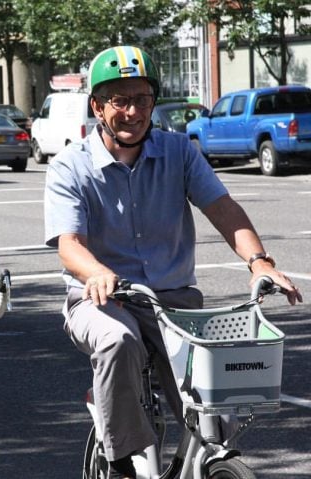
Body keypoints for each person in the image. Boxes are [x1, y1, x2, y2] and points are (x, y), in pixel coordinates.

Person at [43, 45, 302, 479]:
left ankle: (213, 455)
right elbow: (68, 244)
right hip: (102, 300)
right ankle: (121, 461)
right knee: (118, 342)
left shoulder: (179, 151)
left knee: (215, 377)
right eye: (119, 100)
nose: (132, 111)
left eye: (142, 99)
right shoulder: (72, 165)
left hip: (173, 300)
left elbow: (222, 208)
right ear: (97, 106)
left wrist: (259, 261)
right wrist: (98, 272)